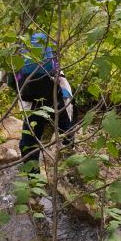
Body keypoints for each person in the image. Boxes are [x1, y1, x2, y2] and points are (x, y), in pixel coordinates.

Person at [15, 33, 74, 171]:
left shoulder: (18, 62)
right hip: (56, 99)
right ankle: (69, 164)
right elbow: (63, 82)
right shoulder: (53, 61)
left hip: (31, 104)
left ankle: (34, 179)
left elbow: (13, 84)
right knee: (66, 131)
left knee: (28, 144)